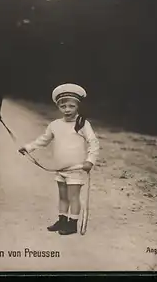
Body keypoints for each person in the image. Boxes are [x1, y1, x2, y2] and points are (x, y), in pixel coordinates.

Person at [18, 83, 100, 235]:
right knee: (63, 197)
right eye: (63, 107)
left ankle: (72, 224)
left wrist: (90, 161)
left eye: (71, 106)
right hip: (60, 169)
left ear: (78, 106)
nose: (67, 110)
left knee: (73, 196)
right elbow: (44, 139)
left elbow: (94, 143)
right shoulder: (54, 125)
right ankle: (62, 220)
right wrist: (28, 147)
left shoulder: (82, 124)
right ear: (58, 107)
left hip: (76, 169)